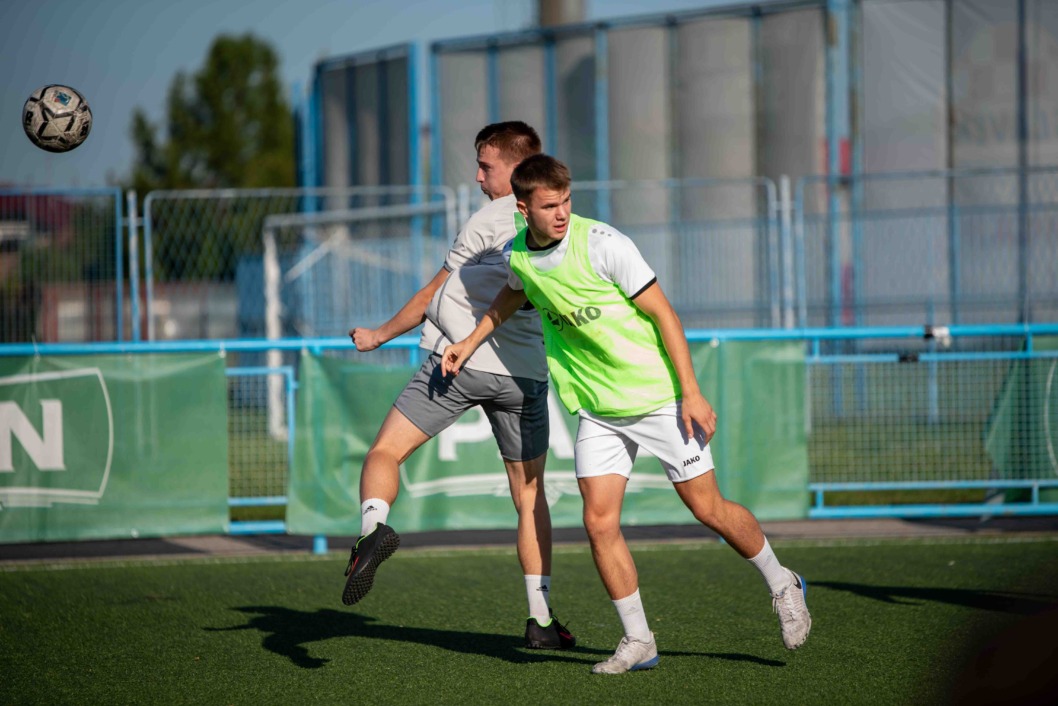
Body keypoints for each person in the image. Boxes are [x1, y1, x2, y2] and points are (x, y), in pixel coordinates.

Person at [441, 154, 811, 674]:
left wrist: (691, 393)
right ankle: (639, 639)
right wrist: (470, 340)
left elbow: (665, 314)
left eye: (566, 201)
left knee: (708, 508)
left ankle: (783, 582)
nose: (562, 213)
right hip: (598, 409)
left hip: (657, 397)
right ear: (523, 210)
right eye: (549, 206)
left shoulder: (603, 244)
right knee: (598, 523)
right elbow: (513, 292)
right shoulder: (518, 254)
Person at [344, 122, 575, 651]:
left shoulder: (486, 220)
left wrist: (378, 335)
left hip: (459, 361)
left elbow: (432, 294)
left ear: (517, 168)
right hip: (524, 375)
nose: (477, 176)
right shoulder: (570, 227)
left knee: (384, 452)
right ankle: (540, 619)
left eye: (485, 165)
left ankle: (372, 529)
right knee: (529, 497)